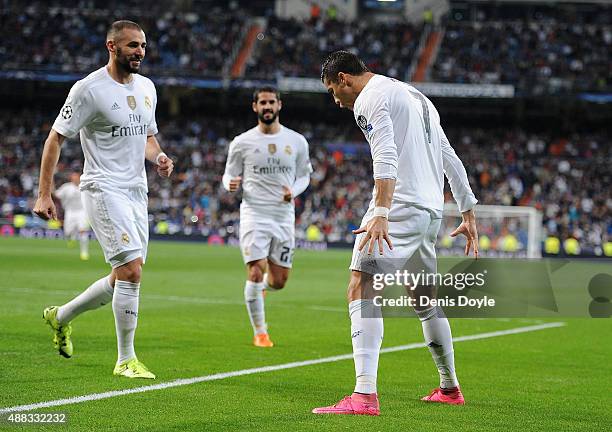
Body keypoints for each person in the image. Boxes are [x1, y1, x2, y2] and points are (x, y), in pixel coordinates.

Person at [313, 51, 479, 415]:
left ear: (344, 78)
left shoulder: (369, 99)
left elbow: (384, 153)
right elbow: (450, 156)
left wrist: (382, 211)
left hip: (399, 205)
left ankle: (364, 395)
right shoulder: (416, 96)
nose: (335, 100)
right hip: (430, 210)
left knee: (361, 284)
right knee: (424, 300)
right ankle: (449, 387)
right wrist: (467, 211)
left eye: (331, 90)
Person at [33, 20, 174, 379]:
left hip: (135, 191)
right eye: (132, 46)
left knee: (121, 277)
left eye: (143, 46)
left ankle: (60, 316)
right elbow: (55, 139)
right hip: (102, 187)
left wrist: (158, 157)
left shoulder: (147, 88)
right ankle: (126, 359)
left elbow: (148, 138)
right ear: (112, 47)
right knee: (131, 271)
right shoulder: (88, 89)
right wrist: (44, 192)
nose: (140, 52)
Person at [222, 87, 312, 347]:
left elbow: (305, 175)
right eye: (262, 102)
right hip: (254, 213)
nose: (267, 106)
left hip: (283, 216)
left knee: (279, 281)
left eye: (271, 102)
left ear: (279, 105)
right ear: (255, 107)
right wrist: (230, 183)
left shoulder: (296, 141)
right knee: (254, 271)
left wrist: (293, 191)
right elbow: (228, 174)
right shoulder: (241, 142)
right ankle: (261, 333)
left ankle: (262, 288)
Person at [54, 172, 90, 260]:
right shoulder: (66, 187)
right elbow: (56, 195)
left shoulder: (84, 186)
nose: (75, 179)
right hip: (70, 212)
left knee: (83, 230)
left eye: (76, 177)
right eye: (73, 177)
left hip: (82, 212)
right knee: (68, 232)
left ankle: (84, 252)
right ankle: (71, 237)